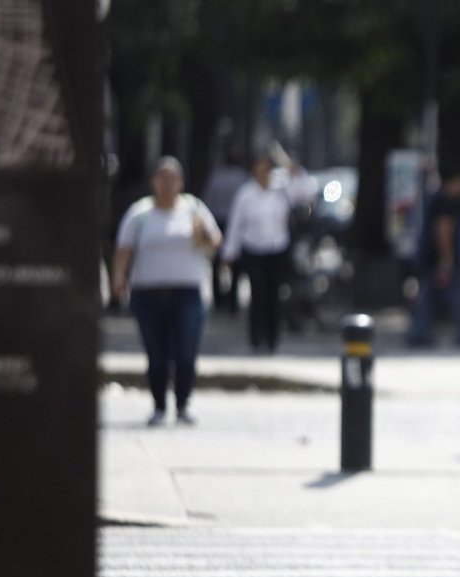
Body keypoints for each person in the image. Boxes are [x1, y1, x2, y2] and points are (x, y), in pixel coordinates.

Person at [112, 156, 221, 426]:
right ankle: (159, 406)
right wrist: (118, 277)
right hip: (148, 294)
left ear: (180, 183)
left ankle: (183, 404)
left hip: (188, 293)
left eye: (172, 179)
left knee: (185, 353)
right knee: (156, 354)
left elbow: (215, 242)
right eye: (162, 178)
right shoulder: (140, 213)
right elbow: (124, 248)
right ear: (154, 182)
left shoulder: (194, 209)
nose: (167, 184)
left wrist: (205, 236)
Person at [220, 146, 318, 353]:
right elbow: (236, 224)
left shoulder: (282, 189)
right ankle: (256, 338)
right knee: (258, 293)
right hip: (253, 249)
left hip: (278, 249)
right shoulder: (246, 194)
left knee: (275, 295)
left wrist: (291, 167)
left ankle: (273, 339)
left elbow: (309, 190)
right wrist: (229, 252)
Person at [408, 167, 460, 347]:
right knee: (456, 297)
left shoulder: (436, 199)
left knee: (429, 298)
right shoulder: (447, 202)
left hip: (434, 259)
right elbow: (443, 231)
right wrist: (446, 261)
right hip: (443, 261)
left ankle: (419, 332)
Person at [201, 145, 249, 314]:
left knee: (216, 263)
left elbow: (207, 201)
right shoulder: (243, 178)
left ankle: (218, 299)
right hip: (235, 224)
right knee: (236, 263)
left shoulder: (217, 177)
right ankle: (232, 301)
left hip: (218, 221)